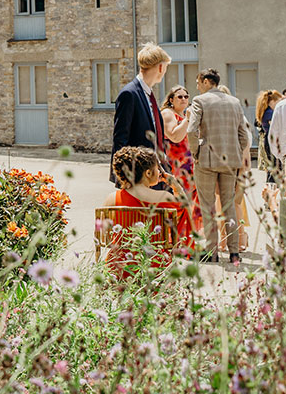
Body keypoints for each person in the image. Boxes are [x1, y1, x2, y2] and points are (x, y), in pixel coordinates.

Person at [186, 68, 251, 264]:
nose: (197, 87)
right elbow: (244, 136)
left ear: (206, 81)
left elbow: (191, 130)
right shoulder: (235, 102)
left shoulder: (200, 101)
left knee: (207, 207)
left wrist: (196, 152)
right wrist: (236, 153)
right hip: (230, 160)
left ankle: (212, 251)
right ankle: (234, 252)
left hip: (206, 159)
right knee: (229, 205)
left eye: (198, 82)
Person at [103, 146, 194, 274]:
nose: (160, 172)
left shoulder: (112, 199)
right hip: (155, 265)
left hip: (119, 265)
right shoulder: (164, 197)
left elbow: (105, 235)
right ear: (148, 173)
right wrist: (177, 188)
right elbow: (187, 216)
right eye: (157, 168)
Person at [111, 44, 171, 180]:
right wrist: (125, 177)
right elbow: (120, 139)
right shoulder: (129, 93)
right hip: (137, 177)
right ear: (161, 67)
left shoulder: (147, 94)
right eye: (166, 67)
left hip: (154, 173)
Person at [159, 85, 202, 236]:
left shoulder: (184, 116)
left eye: (186, 96)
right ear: (171, 100)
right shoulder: (168, 113)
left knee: (193, 203)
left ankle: (189, 236)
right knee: (180, 201)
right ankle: (177, 238)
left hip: (189, 164)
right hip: (175, 164)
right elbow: (174, 136)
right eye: (180, 97)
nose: (184, 99)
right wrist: (188, 119)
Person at [255, 89, 283, 186]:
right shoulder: (270, 113)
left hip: (269, 139)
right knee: (275, 167)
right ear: (272, 101)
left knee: (273, 166)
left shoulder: (267, 111)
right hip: (272, 140)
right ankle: (270, 189)